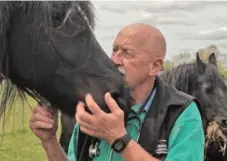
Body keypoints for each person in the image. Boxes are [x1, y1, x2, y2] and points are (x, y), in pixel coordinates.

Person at [29, 23, 205, 161]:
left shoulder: (181, 112)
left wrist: (117, 138)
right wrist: (50, 141)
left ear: (155, 66)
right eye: (114, 50)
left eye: (127, 53)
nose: (114, 60)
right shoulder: (95, 106)